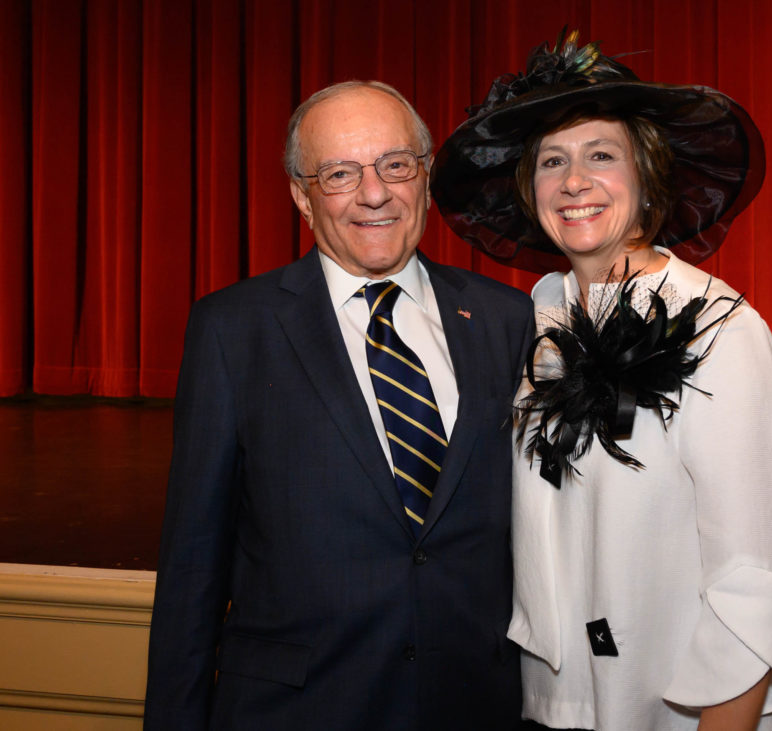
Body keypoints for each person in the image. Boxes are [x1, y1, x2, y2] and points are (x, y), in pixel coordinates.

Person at [431, 30, 772, 730]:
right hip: (550, 704)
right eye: (552, 160)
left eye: (601, 156)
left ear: (647, 177)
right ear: (530, 189)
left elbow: (757, 584)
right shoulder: (536, 318)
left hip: (678, 710)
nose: (574, 181)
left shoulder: (720, 332)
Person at [144, 81, 534, 730]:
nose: (374, 192)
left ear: (426, 177)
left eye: (395, 165)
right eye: (339, 173)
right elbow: (193, 567)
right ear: (301, 193)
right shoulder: (232, 329)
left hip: (473, 705)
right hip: (298, 709)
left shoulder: (504, 318)